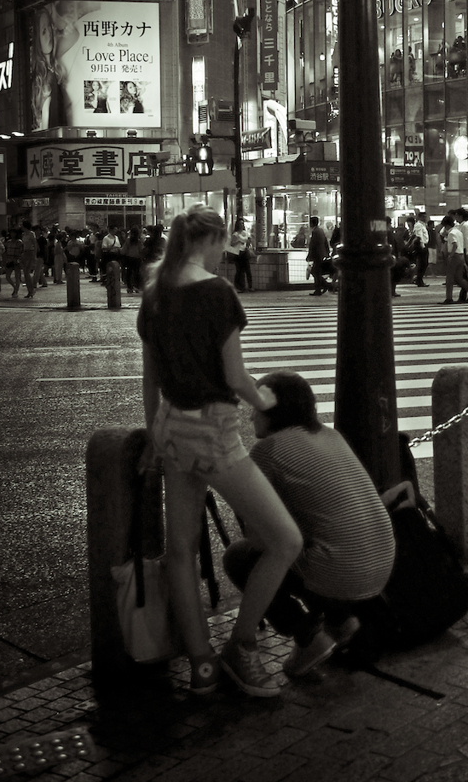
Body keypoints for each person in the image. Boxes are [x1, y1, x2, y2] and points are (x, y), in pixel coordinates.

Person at [137, 203, 303, 697]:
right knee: (285, 540)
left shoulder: (155, 294)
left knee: (181, 552)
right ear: (208, 242)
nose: (223, 256)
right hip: (213, 433)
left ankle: (201, 665)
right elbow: (234, 377)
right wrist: (264, 397)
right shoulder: (217, 293)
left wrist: (153, 436)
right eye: (222, 246)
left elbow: (150, 381)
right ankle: (242, 643)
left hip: (171, 429)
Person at [222, 371, 396, 679]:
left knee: (239, 558)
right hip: (381, 567)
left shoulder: (267, 451)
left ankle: (307, 635)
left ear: (271, 411)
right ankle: (341, 622)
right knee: (320, 539)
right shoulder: (331, 434)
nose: (250, 416)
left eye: (255, 406)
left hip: (339, 574)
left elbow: (259, 542)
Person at [439, 214, 468, 304]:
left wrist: (450, 255)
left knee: (449, 278)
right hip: (461, 255)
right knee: (459, 278)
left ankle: (449, 298)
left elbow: (454, 244)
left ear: (446, 225)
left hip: (454, 256)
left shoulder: (451, 233)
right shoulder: (458, 232)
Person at [307, 216, 330, 296]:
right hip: (321, 254)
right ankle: (322, 287)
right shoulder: (320, 231)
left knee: (315, 272)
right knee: (317, 272)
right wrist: (327, 252)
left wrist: (309, 256)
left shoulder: (315, 232)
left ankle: (321, 287)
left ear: (312, 223)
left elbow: (312, 245)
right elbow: (325, 242)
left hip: (317, 255)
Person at [230, 219, 253, 293]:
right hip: (238, 252)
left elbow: (249, 239)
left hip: (244, 252)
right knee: (239, 271)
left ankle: (250, 286)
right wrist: (238, 241)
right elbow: (232, 244)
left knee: (247, 270)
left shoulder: (245, 233)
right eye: (240, 223)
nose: (241, 225)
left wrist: (247, 245)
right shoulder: (235, 234)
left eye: (242, 223)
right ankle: (240, 286)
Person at [123, 226, 144, 294]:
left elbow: (124, 250)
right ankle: (137, 287)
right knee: (137, 273)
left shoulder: (128, 240)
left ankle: (129, 287)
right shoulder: (139, 241)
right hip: (137, 258)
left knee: (129, 273)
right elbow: (141, 250)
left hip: (129, 258)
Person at [412, 211, 430, 287]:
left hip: (424, 245)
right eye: (423, 217)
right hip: (421, 246)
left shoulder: (423, 225)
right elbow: (419, 236)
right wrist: (422, 246)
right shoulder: (418, 225)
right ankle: (419, 280)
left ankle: (419, 279)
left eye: (425, 216)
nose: (425, 218)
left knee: (424, 263)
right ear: (419, 217)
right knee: (423, 263)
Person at [20, 221, 37, 299]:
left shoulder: (31, 234)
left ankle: (31, 290)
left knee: (27, 272)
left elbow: (35, 244)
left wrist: (34, 255)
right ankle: (30, 290)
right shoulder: (23, 234)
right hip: (25, 252)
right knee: (25, 273)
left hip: (30, 252)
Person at [3, 228, 22, 297]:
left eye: (14, 233)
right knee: (7, 276)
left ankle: (16, 291)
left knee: (17, 276)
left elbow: (21, 252)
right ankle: (14, 287)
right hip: (10, 260)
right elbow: (5, 251)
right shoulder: (8, 242)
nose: (12, 234)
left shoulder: (19, 242)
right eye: (11, 233)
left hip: (17, 260)